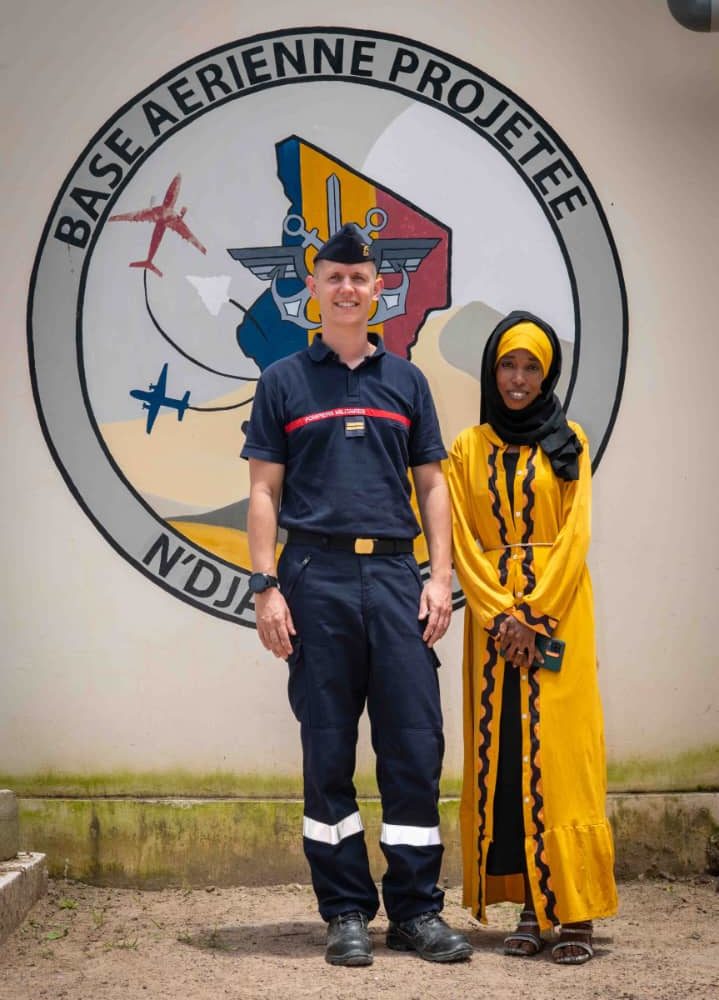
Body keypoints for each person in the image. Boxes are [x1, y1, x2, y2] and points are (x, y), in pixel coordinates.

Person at [241, 224, 472, 967]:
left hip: (396, 580)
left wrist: (438, 578)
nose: (346, 289)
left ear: (379, 290)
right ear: (312, 287)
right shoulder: (281, 381)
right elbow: (263, 492)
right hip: (316, 580)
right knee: (327, 751)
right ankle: (343, 911)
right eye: (333, 277)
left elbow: (432, 486)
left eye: (359, 278)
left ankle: (414, 912)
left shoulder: (406, 381)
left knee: (413, 749)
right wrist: (265, 586)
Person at [446, 311, 618, 965]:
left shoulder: (567, 440)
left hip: (558, 617)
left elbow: (575, 536)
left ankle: (572, 910)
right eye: (507, 366)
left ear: (547, 377)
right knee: (507, 756)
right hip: (493, 630)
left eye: (531, 368)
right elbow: (462, 539)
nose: (517, 380)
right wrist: (498, 616)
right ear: (492, 372)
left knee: (564, 758)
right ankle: (526, 903)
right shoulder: (466, 448)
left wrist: (535, 615)